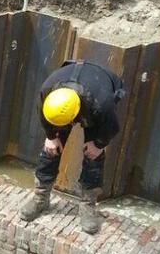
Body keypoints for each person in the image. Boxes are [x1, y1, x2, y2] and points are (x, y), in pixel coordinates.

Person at [21, 60, 125, 235]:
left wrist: (98, 144)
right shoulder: (48, 93)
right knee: (51, 150)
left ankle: (87, 206)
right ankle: (40, 197)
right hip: (70, 87)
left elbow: (112, 127)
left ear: (75, 115)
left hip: (96, 89)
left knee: (93, 155)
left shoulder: (102, 106)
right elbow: (45, 119)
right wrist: (51, 137)